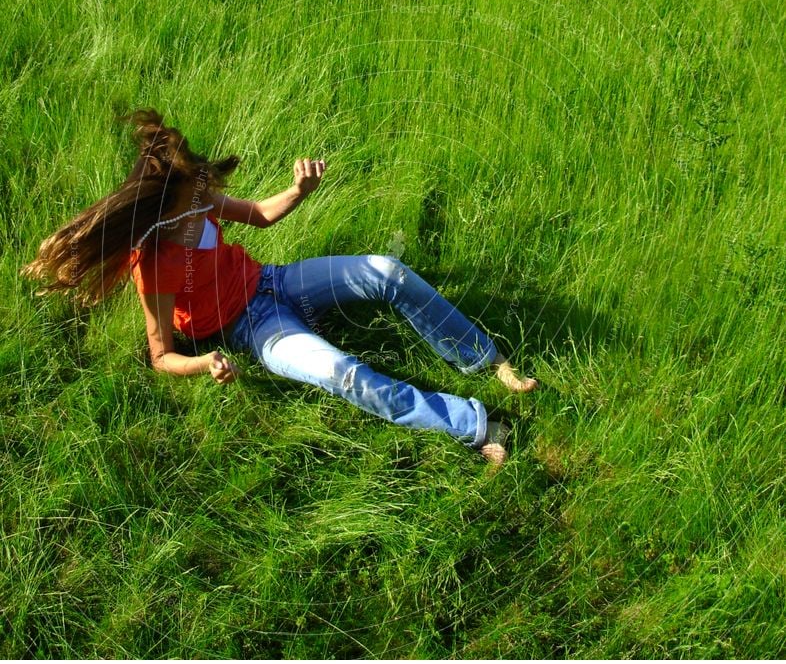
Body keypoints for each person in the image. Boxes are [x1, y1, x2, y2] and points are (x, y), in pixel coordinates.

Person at [21, 109, 537, 467]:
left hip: (274, 280)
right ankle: (477, 426)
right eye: (189, 196)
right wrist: (205, 363)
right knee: (344, 373)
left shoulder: (195, 203)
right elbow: (161, 355)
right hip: (253, 330)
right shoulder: (152, 263)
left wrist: (298, 190)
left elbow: (260, 216)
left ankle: (486, 359)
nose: (202, 197)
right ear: (163, 210)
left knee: (384, 270)